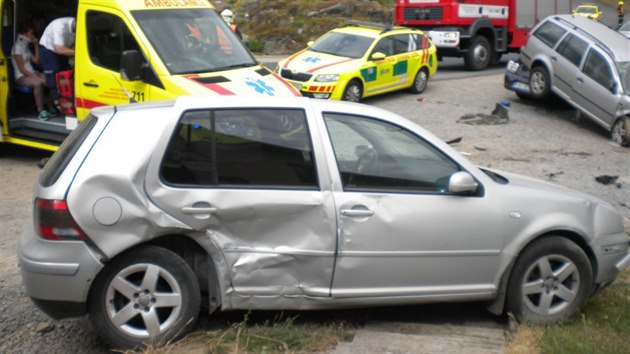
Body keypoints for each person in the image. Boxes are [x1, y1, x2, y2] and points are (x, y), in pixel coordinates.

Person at [11, 24, 50, 120]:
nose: (33, 35)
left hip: (32, 73)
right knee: (38, 83)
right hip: (21, 76)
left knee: (50, 79)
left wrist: (36, 46)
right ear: (25, 34)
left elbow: (36, 61)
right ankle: (41, 110)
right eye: (31, 33)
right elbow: (22, 69)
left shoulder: (26, 47)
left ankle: (51, 106)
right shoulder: (17, 47)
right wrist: (36, 77)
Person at [39, 17, 75, 114]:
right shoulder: (60, 26)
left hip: (62, 49)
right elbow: (59, 49)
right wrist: (78, 52)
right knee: (53, 76)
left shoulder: (76, 26)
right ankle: (56, 103)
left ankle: (66, 100)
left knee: (65, 74)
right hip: (48, 49)